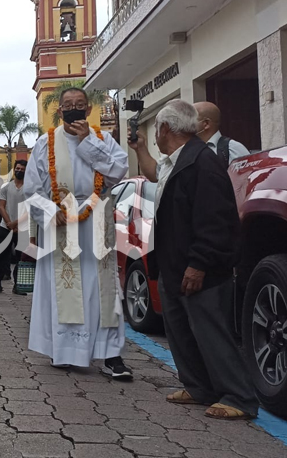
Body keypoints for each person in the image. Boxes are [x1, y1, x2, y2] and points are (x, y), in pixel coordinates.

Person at [148, 99, 257, 420]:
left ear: (165, 128)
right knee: (181, 333)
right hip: (173, 265)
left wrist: (198, 264)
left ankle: (239, 397)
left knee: (211, 333)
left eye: (156, 128)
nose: (155, 135)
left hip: (200, 268)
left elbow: (215, 220)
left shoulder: (202, 162)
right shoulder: (176, 161)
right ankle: (199, 387)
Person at [24, 88, 133, 380]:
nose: (74, 109)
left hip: (97, 220)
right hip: (61, 222)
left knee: (103, 288)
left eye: (80, 105)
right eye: (68, 105)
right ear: (59, 110)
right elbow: (32, 188)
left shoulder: (103, 139)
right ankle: (65, 351)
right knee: (64, 287)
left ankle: (111, 355)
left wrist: (88, 141)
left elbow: (117, 172)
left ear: (88, 110)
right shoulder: (45, 143)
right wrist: (49, 211)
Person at [130, 101, 250, 180]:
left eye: (191, 118)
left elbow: (246, 185)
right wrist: (140, 148)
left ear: (206, 124)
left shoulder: (231, 149)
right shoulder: (178, 150)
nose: (185, 122)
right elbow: (155, 174)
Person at [0, 160, 27, 295]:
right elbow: (1, 206)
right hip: (5, 226)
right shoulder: (6, 187)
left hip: (22, 227)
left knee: (21, 258)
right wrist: (9, 223)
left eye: (22, 169)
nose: (19, 171)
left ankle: (18, 285)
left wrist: (15, 223)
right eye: (17, 168)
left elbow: (30, 210)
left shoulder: (30, 188)